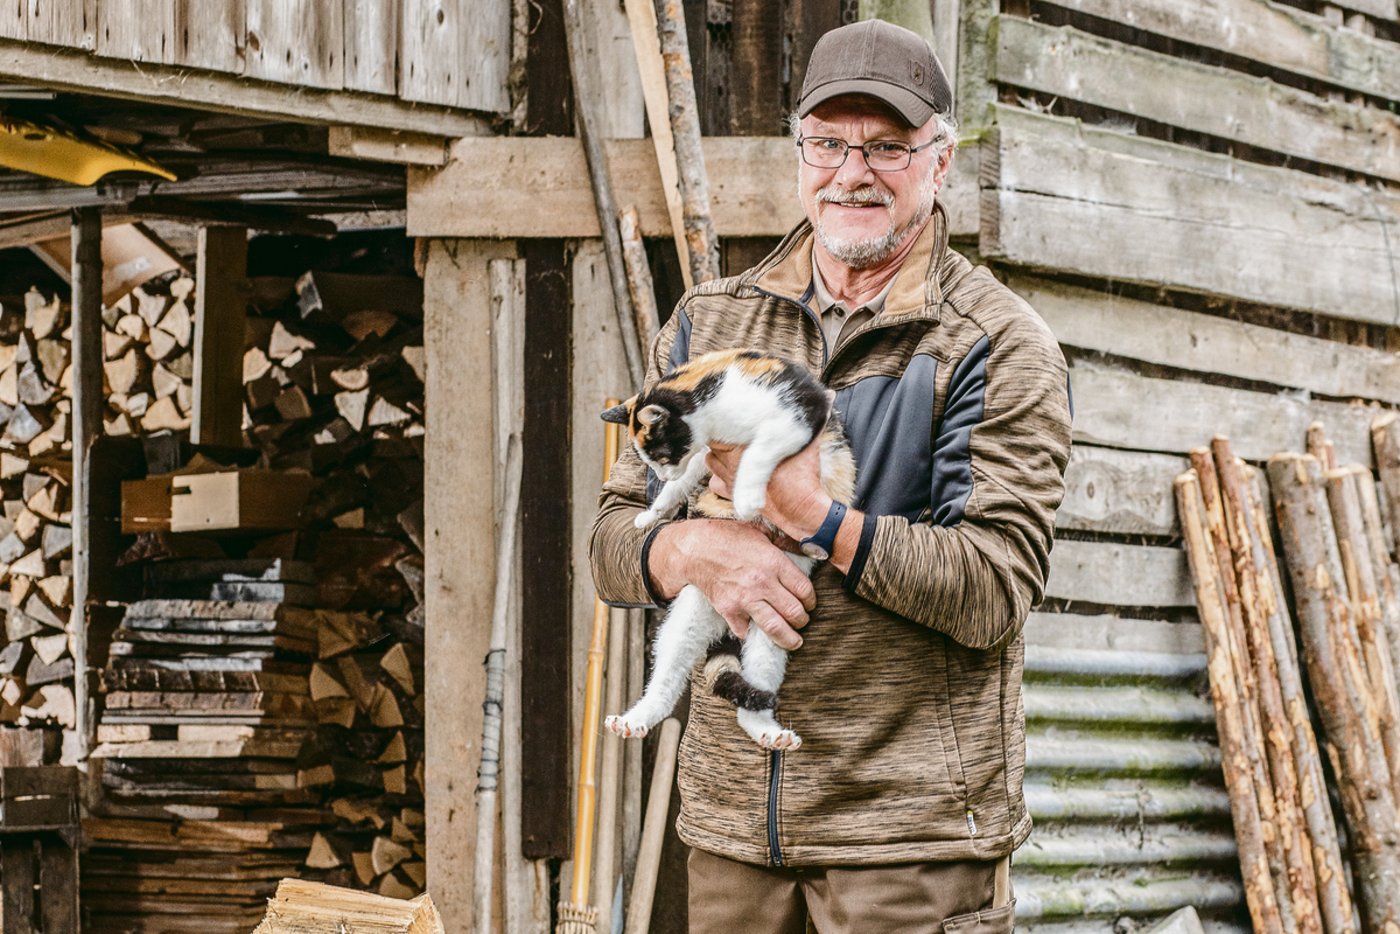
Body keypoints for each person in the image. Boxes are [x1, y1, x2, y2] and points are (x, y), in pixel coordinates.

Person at [590, 18, 1072, 933]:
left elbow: (992, 589)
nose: (853, 171)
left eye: (888, 147)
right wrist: (692, 549)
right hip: (734, 829)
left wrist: (814, 516)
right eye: (828, 142)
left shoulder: (992, 343)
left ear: (940, 161)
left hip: (907, 844)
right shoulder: (707, 322)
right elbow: (613, 544)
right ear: (798, 152)